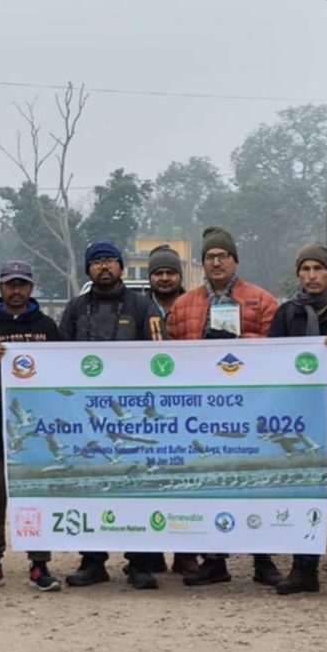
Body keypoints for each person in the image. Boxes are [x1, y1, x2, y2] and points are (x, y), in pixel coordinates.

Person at [166, 226, 283, 588]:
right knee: (208, 483)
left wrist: (239, 339)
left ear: (235, 260)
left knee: (254, 480)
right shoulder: (184, 305)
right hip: (202, 411)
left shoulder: (262, 300)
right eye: (210, 257)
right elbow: (170, 353)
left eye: (223, 256)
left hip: (250, 407)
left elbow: (279, 347)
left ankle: (263, 558)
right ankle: (213, 559)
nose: (216, 262)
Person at [59, 241, 164, 590]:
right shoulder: (75, 308)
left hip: (133, 413)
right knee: (90, 483)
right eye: (97, 262)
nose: (104, 267)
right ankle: (92, 561)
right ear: (87, 269)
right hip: (87, 414)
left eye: (110, 261)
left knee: (137, 484)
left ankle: (140, 562)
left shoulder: (142, 305)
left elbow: (161, 355)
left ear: (121, 266)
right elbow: (58, 357)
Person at [0, 260, 63, 593]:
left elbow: (63, 373)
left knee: (37, 495)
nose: (16, 290)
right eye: (10, 284)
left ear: (31, 288)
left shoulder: (46, 327)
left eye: (22, 284)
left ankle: (40, 563)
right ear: (0, 287)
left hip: (36, 432)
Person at [266, 243, 327, 600]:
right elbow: (271, 360)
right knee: (303, 496)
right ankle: (304, 569)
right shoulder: (287, 313)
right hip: (299, 424)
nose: (311, 275)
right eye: (305, 269)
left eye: (318, 268)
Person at [142, 244, 190, 577]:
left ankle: (186, 553)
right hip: (148, 408)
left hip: (186, 406)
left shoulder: (195, 304)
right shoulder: (138, 307)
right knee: (150, 479)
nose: (164, 278)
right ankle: (150, 552)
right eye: (158, 273)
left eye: (170, 272)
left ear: (179, 275)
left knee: (185, 481)